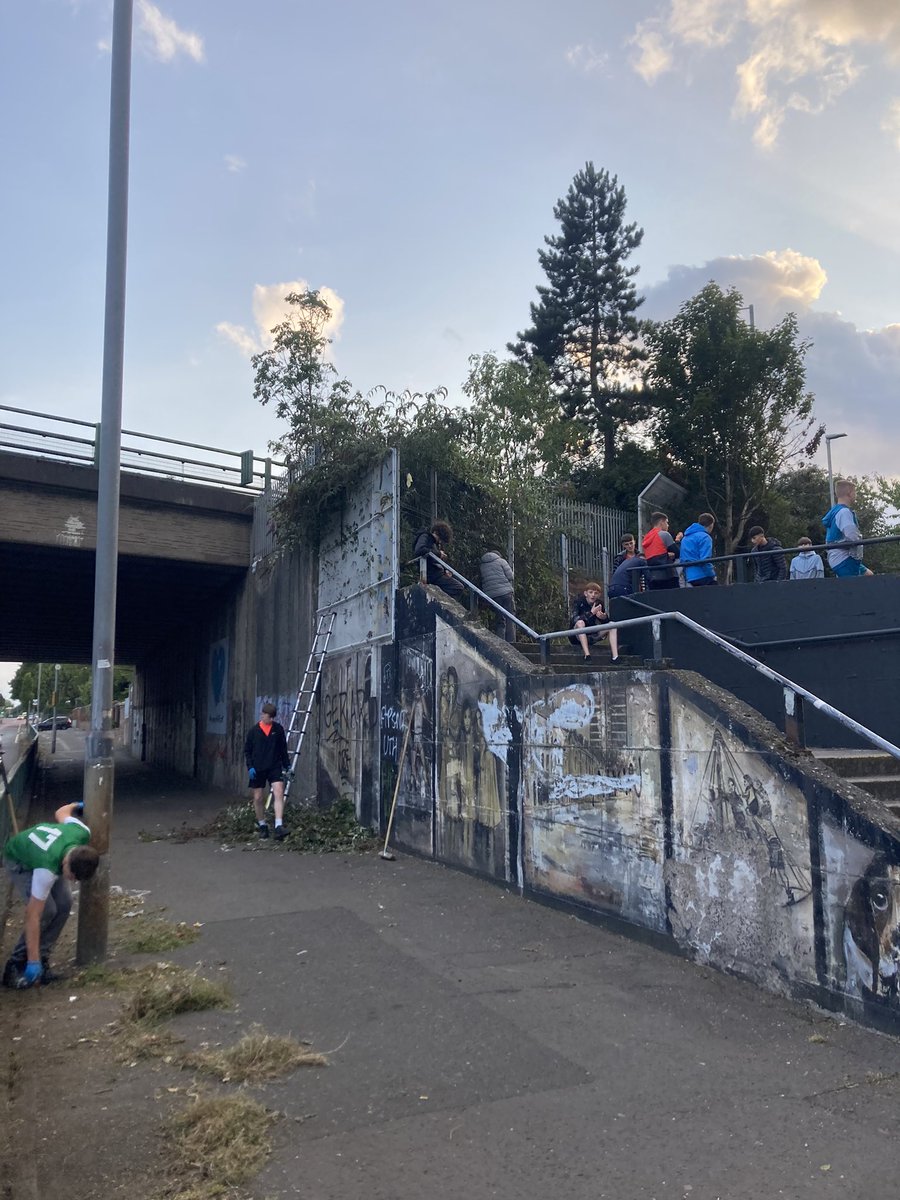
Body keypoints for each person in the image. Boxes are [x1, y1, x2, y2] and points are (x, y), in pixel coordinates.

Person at [2, 802, 99, 989]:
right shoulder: (46, 870)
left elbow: (61, 812)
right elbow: (32, 915)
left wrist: (77, 805)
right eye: (71, 876)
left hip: (48, 853)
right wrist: (33, 960)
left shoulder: (81, 832)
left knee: (64, 904)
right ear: (66, 863)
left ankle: (43, 958)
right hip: (19, 861)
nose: (72, 881)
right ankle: (15, 964)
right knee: (46, 910)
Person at [245, 701, 291, 840]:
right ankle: (262, 825)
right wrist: (250, 767)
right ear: (263, 714)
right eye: (266, 716)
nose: (269, 719)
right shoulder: (253, 731)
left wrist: (287, 765)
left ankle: (278, 826)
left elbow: (283, 749)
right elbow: (247, 751)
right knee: (258, 797)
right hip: (257, 768)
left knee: (279, 791)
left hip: (274, 766)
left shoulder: (278, 730)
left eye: (271, 717)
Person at [822, 480, 874, 578]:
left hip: (840, 557)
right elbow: (852, 536)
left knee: (869, 575)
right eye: (855, 492)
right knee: (854, 586)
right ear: (849, 493)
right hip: (845, 558)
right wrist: (860, 538)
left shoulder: (836, 511)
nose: (856, 495)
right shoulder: (844, 512)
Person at [568, 581, 619, 662]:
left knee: (612, 625)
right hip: (576, 636)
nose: (593, 595)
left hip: (592, 634)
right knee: (580, 623)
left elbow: (605, 623)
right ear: (585, 593)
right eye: (591, 592)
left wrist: (603, 618)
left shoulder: (599, 603)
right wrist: (591, 613)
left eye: (596, 593)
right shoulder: (578, 602)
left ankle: (615, 657)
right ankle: (587, 656)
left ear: (599, 595)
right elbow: (574, 620)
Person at [413, 520, 465, 599]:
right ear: (435, 532)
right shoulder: (425, 536)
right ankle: (440, 599)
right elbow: (419, 550)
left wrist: (445, 570)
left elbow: (434, 560)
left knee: (457, 587)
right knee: (457, 587)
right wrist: (438, 554)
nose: (439, 542)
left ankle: (439, 598)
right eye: (439, 538)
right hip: (432, 575)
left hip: (437, 574)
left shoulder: (435, 544)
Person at [479, 549, 516, 642]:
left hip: (492, 596)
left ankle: (501, 642)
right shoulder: (501, 561)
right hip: (506, 593)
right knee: (510, 617)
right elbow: (510, 577)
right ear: (498, 555)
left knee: (500, 619)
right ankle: (511, 642)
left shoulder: (482, 565)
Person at [641, 512, 681, 591]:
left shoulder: (646, 538)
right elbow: (678, 553)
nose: (668, 525)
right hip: (668, 575)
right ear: (661, 522)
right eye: (667, 522)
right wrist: (677, 540)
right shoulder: (664, 534)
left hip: (653, 576)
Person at [678, 513, 717, 586]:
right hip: (702, 574)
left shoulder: (685, 538)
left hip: (689, 576)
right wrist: (712, 574)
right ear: (711, 525)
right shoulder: (705, 537)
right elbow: (705, 560)